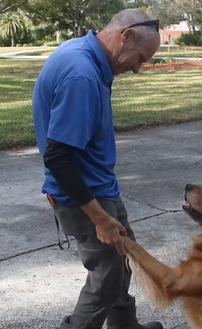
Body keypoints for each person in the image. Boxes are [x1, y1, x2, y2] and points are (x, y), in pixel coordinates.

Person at [32, 8, 163, 329]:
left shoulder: (83, 53)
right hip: (82, 195)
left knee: (124, 260)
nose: (137, 69)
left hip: (100, 185)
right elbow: (58, 157)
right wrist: (99, 218)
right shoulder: (82, 75)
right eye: (141, 59)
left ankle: (124, 325)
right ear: (126, 36)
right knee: (107, 277)